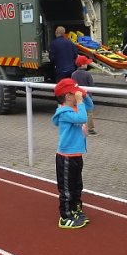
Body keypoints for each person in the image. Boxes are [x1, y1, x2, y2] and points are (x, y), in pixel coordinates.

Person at [52, 77, 94, 229]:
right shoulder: (64, 112)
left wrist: (85, 96)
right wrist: (80, 102)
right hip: (66, 157)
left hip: (76, 155)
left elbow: (90, 107)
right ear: (68, 96)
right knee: (67, 188)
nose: (79, 96)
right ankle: (65, 216)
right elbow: (83, 117)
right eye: (75, 94)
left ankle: (76, 209)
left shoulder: (77, 107)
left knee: (77, 185)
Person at [71, 55, 97, 135]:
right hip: (87, 96)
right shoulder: (87, 74)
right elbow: (92, 86)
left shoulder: (73, 74)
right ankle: (91, 130)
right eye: (86, 63)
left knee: (79, 111)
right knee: (89, 112)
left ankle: (78, 127)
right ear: (82, 65)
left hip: (77, 96)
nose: (87, 64)